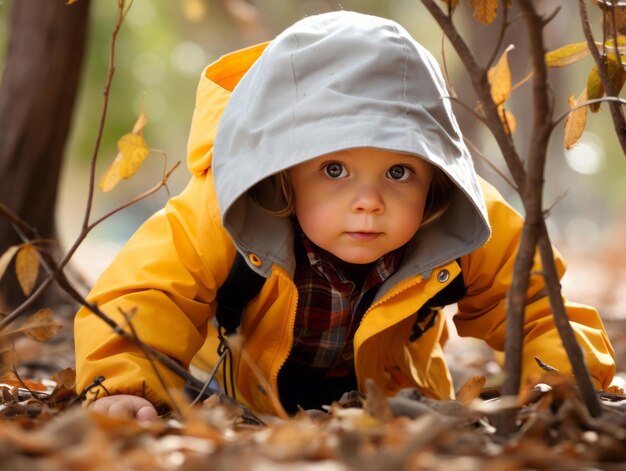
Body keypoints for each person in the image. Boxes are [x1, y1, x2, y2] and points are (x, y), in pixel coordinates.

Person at [74, 11, 615, 421]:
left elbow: (539, 302)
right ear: (284, 169)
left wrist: (561, 385)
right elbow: (145, 294)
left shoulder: (461, 220)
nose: (369, 201)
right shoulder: (222, 212)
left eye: (400, 172)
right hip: (259, 409)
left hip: (400, 408)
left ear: (435, 176)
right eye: (334, 169)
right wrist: (124, 389)